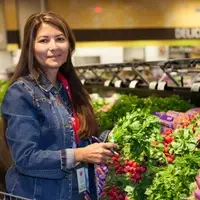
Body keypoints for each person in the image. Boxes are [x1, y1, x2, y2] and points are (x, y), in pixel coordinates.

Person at [1, 11, 118, 200]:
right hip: (38, 194)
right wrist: (80, 154)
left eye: (60, 39)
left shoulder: (70, 88)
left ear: (70, 45)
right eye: (44, 40)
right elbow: (26, 158)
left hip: (73, 192)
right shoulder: (21, 93)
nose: (53, 47)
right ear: (30, 47)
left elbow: (72, 137)